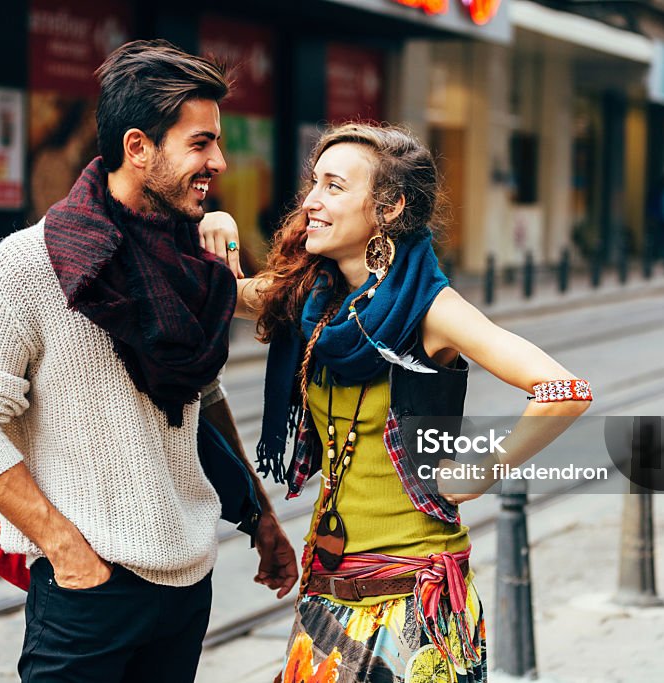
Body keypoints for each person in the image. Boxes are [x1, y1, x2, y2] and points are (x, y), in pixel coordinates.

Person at [0, 40, 296, 682]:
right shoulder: (31, 265)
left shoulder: (191, 263)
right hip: (89, 591)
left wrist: (259, 513)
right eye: (200, 143)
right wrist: (64, 547)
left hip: (188, 581)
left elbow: (202, 399)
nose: (219, 160)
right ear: (138, 147)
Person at [222, 123, 591, 682]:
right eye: (313, 183)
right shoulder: (312, 299)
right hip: (328, 593)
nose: (312, 202)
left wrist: (479, 472)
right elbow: (223, 286)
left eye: (335, 187)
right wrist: (218, 226)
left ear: (388, 208)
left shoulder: (432, 308)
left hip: (412, 600)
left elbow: (564, 391)